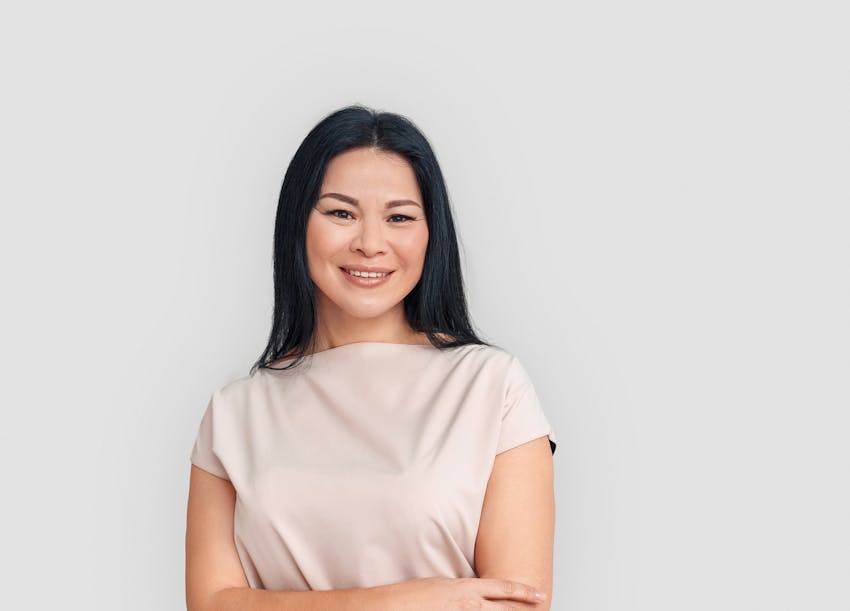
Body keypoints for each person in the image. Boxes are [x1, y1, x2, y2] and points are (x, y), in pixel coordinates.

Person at [185, 104, 558, 610]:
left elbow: (517, 605)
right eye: (341, 213)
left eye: (399, 217)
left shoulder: (493, 388)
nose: (370, 244)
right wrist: (405, 602)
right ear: (298, 224)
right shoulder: (234, 413)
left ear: (431, 235)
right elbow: (210, 605)